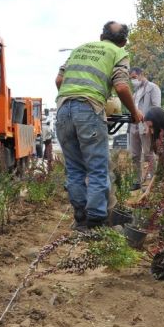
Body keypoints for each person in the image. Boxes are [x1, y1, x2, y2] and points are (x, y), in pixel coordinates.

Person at [55, 21, 143, 232]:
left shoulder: (79, 49)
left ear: (101, 36)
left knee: (75, 169)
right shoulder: (118, 52)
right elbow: (121, 86)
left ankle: (80, 218)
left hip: (63, 109)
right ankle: (95, 221)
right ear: (123, 41)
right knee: (97, 169)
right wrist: (134, 112)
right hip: (88, 109)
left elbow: (59, 80)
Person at [128, 67, 161, 190]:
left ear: (141, 74)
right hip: (134, 125)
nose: (133, 80)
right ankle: (136, 181)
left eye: (134, 77)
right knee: (135, 155)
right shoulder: (136, 91)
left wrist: (150, 125)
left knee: (148, 154)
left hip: (145, 125)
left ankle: (154, 181)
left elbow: (156, 108)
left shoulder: (153, 88)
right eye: (131, 78)